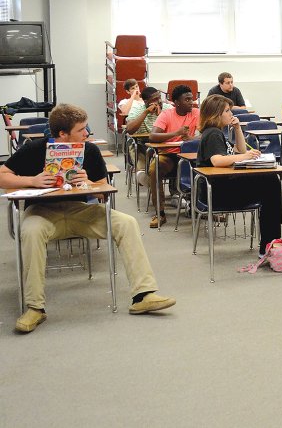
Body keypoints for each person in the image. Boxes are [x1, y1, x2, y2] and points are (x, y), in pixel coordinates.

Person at [0, 104, 176, 333]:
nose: (87, 133)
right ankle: (35, 307)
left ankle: (144, 294)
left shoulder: (90, 151)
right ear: (62, 134)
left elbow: (104, 193)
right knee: (31, 231)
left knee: (126, 222)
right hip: (42, 212)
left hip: (78, 210)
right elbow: (3, 175)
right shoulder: (34, 149)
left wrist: (88, 184)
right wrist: (31, 181)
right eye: (81, 129)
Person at [196, 95, 282, 258]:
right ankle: (271, 240)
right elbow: (217, 161)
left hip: (223, 187)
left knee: (271, 186)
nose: (231, 114)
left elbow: (241, 150)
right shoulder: (213, 134)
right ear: (216, 114)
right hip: (217, 193)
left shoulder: (219, 132)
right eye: (227, 111)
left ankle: (270, 242)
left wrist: (237, 129)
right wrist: (244, 157)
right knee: (271, 186)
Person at [148, 84, 200, 228]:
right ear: (176, 102)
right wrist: (176, 134)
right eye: (187, 100)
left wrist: (193, 139)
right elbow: (153, 136)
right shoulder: (167, 114)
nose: (191, 102)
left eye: (192, 99)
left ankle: (205, 209)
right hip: (170, 156)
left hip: (190, 156)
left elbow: (207, 133)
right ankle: (160, 213)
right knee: (154, 169)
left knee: (210, 166)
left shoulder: (196, 113)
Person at [125, 86, 168, 188]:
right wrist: (146, 112)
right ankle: (142, 174)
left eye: (159, 98)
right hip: (142, 144)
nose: (158, 101)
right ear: (145, 101)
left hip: (163, 144)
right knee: (135, 146)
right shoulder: (137, 108)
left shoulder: (167, 108)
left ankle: (173, 189)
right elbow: (130, 130)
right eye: (154, 99)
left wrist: (161, 116)